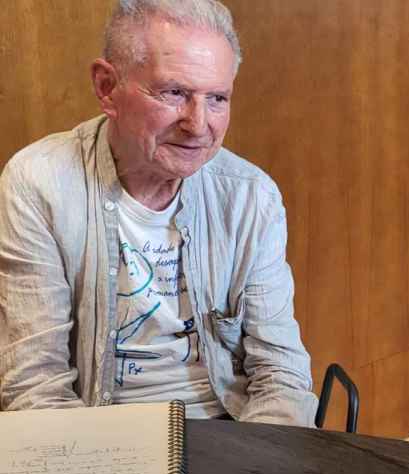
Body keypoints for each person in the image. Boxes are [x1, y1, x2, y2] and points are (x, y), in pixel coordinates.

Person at [0, 0, 318, 426]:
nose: (198, 124)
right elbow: (35, 389)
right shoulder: (38, 183)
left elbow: (281, 374)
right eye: (175, 93)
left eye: (217, 98)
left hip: (235, 434)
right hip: (96, 435)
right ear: (106, 87)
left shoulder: (250, 196)